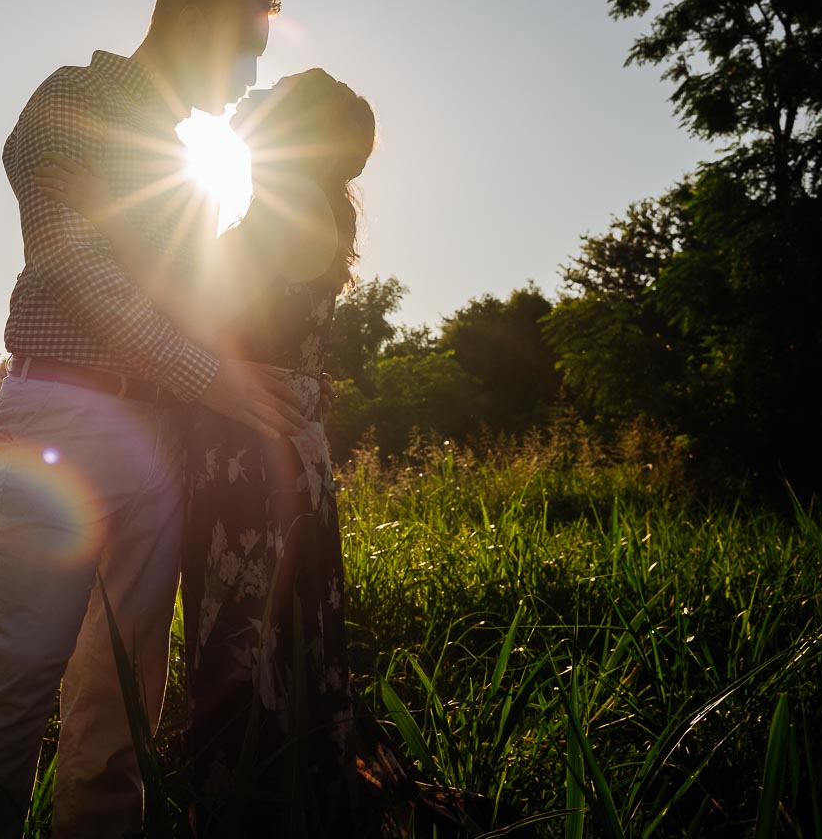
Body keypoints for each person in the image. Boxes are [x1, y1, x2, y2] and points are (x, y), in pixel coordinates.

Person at [37, 70, 504, 835]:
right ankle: (272, 801)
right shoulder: (289, 208)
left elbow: (186, 304)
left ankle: (262, 811)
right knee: (265, 645)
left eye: (272, 97)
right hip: (250, 450)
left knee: (248, 649)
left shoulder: (296, 211)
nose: (251, 102)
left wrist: (100, 212)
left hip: (256, 464)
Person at [0, 0, 308, 839]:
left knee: (124, 690)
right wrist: (217, 379)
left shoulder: (185, 161)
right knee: (23, 668)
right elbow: (76, 268)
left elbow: (192, 299)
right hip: (64, 417)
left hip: (158, 437)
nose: (250, 76)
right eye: (244, 51)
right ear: (192, 27)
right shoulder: (73, 103)